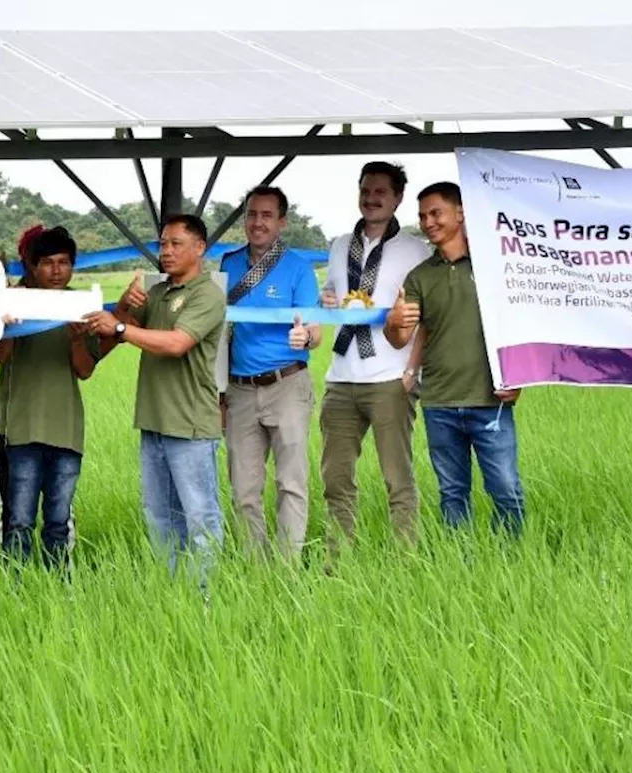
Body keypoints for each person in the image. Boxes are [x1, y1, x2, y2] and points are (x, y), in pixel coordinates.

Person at [85, 214, 226, 585]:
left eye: (176, 243)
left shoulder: (207, 294)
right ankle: (171, 589)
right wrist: (126, 305)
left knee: (200, 517)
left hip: (190, 424)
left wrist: (121, 325)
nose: (166, 251)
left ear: (199, 248)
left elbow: (177, 344)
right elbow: (117, 332)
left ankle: (205, 596)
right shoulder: (159, 292)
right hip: (153, 422)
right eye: (162, 243)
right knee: (160, 516)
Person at [385, 181, 526, 534]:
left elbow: (520, 322)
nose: (428, 222)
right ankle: (460, 566)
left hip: (489, 400)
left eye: (436, 213)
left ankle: (510, 565)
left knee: (506, 490)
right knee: (452, 493)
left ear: (460, 213)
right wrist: (393, 322)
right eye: (422, 216)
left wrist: (520, 376)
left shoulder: (494, 266)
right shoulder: (419, 277)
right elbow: (403, 335)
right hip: (439, 403)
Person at [319, 163, 432, 548]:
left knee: (397, 479)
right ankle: (337, 559)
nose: (372, 198)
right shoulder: (337, 246)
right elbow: (329, 297)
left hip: (390, 379)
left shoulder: (415, 250)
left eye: (381, 192)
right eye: (366, 190)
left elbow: (427, 316)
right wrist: (326, 299)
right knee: (335, 479)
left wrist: (414, 368)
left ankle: (406, 558)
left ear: (398, 197)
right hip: (340, 378)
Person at [219, 186, 322, 560]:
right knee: (244, 488)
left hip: (287, 384)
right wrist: (219, 394)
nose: (257, 222)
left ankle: (288, 568)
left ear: (282, 222)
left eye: (266, 215)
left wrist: (305, 336)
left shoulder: (297, 268)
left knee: (290, 482)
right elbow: (218, 335)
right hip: (240, 389)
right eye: (251, 214)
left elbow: (316, 329)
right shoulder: (228, 265)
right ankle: (255, 567)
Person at [0, 226, 99, 567]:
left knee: (58, 521)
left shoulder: (81, 306)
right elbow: (0, 356)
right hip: (21, 430)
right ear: (33, 266)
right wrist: (5, 323)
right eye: (48, 263)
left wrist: (78, 337)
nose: (56, 271)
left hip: (66, 431)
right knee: (18, 521)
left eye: (64, 263)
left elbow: (84, 370)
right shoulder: (16, 301)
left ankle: (58, 587)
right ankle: (16, 588)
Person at [0, 223, 43, 548]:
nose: (43, 267)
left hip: (58, 426)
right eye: (35, 258)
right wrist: (3, 311)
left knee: (59, 511)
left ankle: (60, 580)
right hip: (10, 425)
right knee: (10, 513)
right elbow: (0, 354)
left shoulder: (69, 303)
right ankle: (12, 581)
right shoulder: (9, 299)